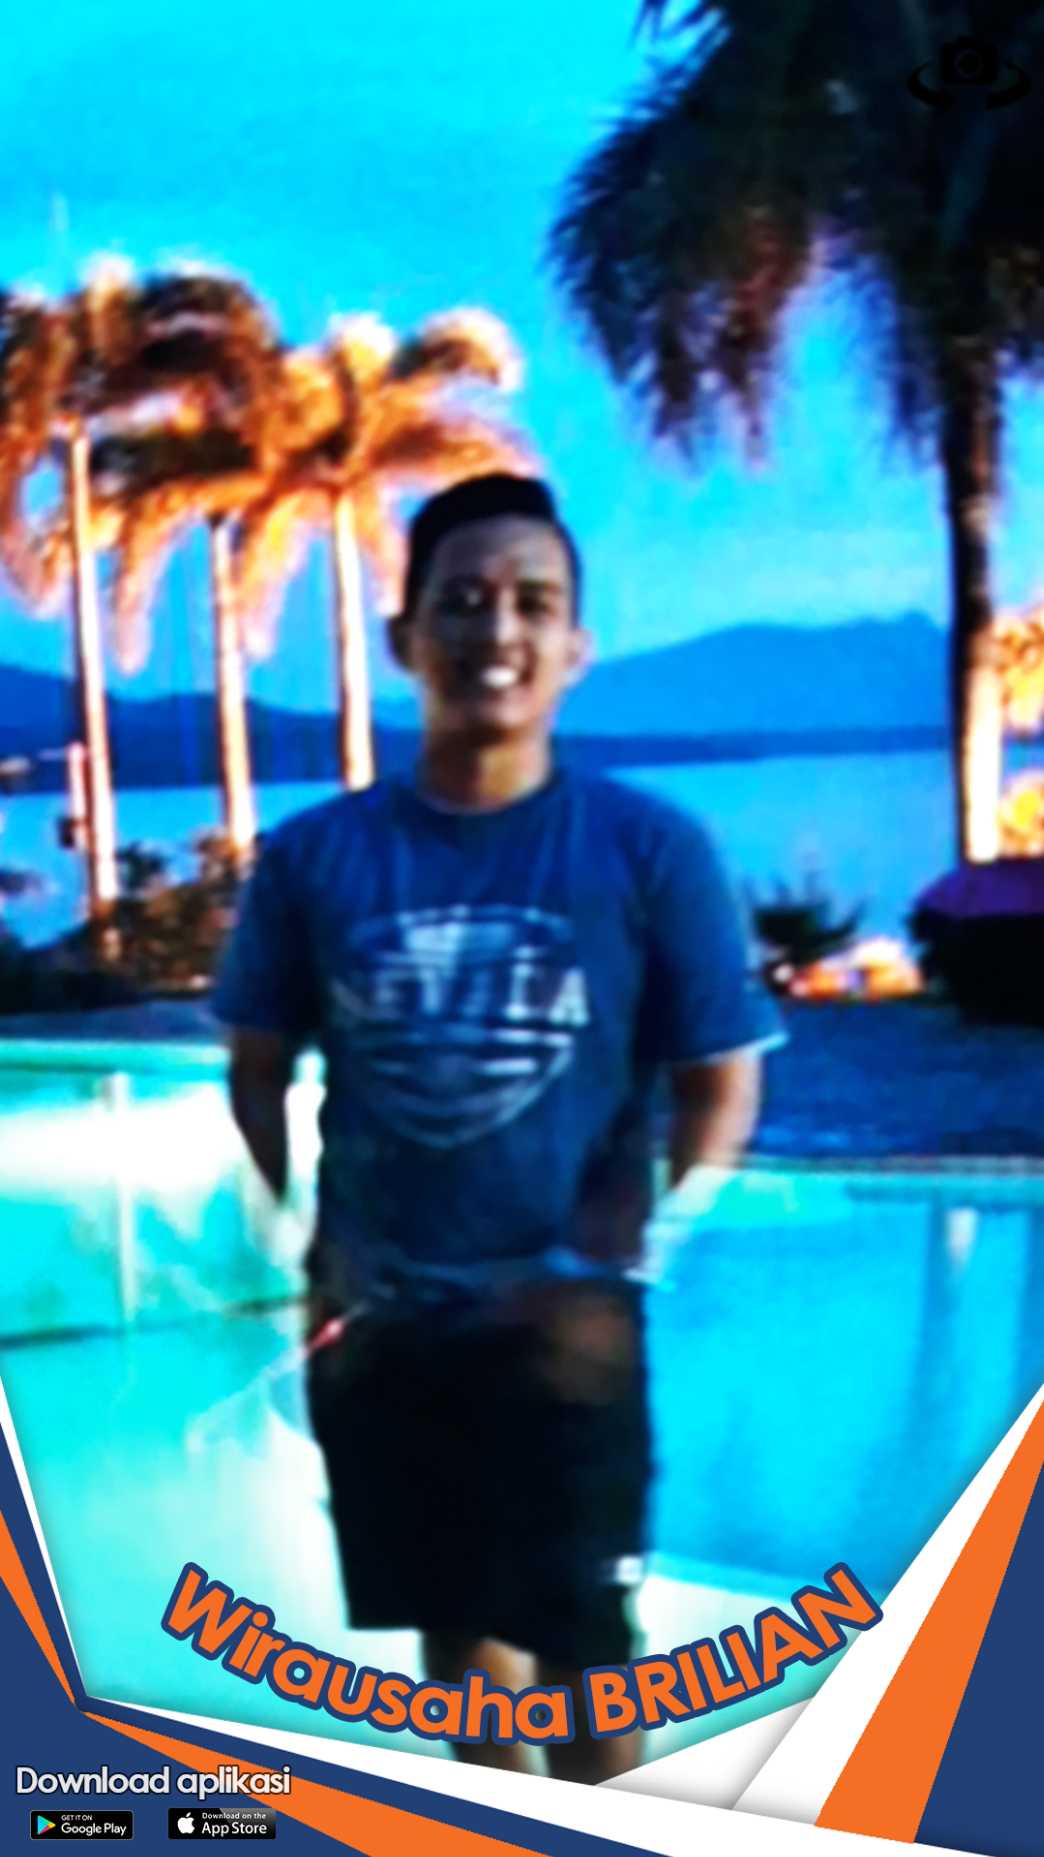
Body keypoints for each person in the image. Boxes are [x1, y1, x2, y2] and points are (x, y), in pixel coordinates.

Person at [213, 473, 780, 1783]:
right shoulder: (314, 858)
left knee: (589, 1653)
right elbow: (257, 1070)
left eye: (534, 601)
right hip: (387, 1329)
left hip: (568, 1335)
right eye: (463, 600)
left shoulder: (650, 849)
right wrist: (303, 1241)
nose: (498, 629)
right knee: (457, 1639)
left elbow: (720, 1081)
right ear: (406, 637)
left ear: (576, 645)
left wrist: (632, 1250)